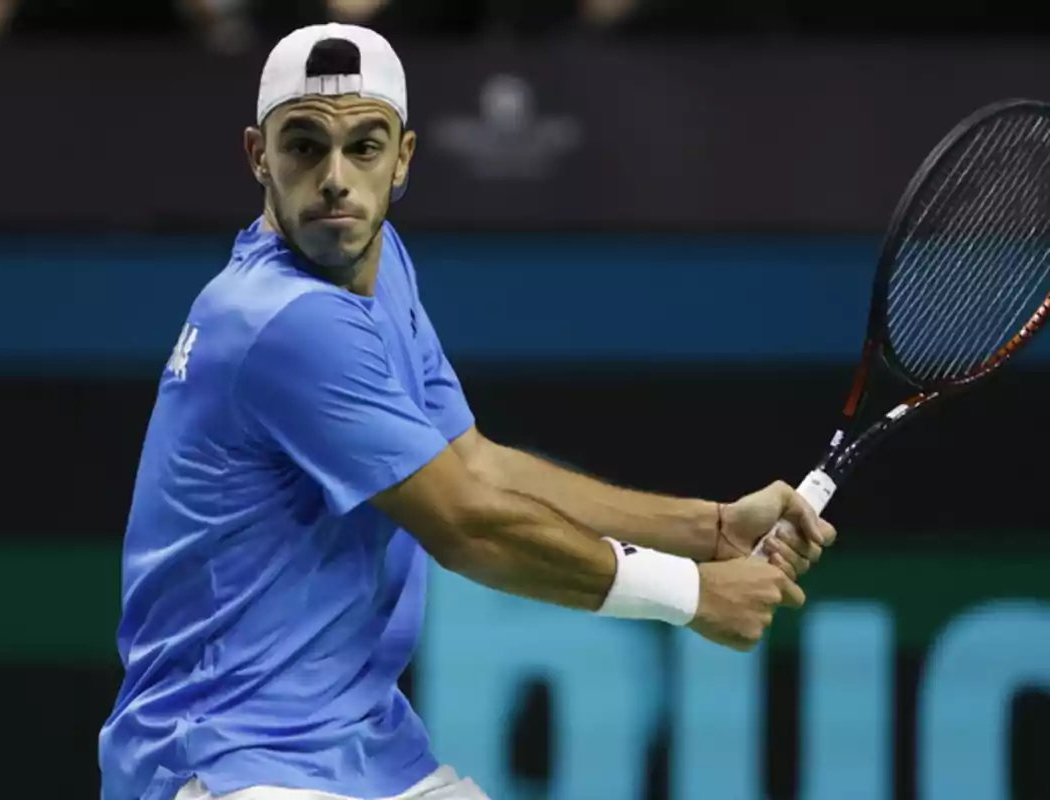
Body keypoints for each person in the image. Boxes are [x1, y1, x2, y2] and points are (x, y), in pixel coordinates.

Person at [97, 22, 836, 800]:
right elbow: (469, 525)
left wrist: (711, 527)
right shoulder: (284, 320)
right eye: (305, 147)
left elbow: (476, 463)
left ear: (404, 159)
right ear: (259, 157)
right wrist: (693, 595)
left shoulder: (379, 268)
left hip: (359, 748)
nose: (336, 179)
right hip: (223, 757)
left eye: (365, 146)